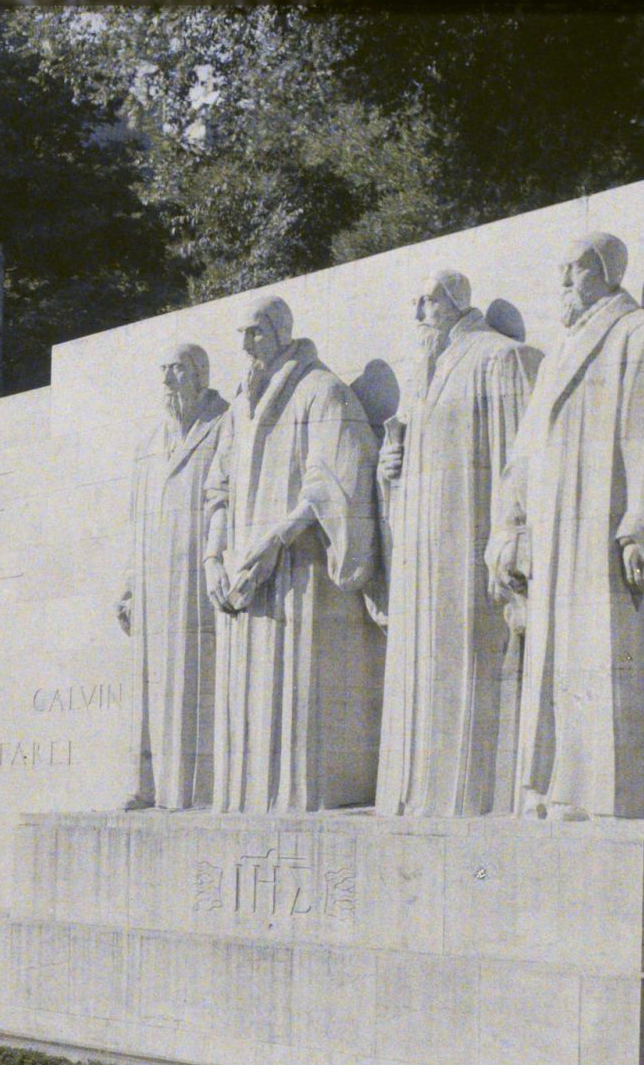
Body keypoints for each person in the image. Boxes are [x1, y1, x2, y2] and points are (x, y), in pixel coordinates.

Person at [486, 232, 644, 820]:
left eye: (577, 269)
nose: (564, 280)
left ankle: (603, 797)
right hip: (556, 542)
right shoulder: (559, 355)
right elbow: (522, 458)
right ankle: (554, 787)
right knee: (557, 663)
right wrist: (512, 530)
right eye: (559, 269)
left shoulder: (642, 336)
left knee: (610, 656)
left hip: (603, 535)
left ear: (609, 274)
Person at [203, 294, 385, 812]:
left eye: (256, 332)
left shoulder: (321, 392)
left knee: (295, 699)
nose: (246, 344)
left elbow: (338, 481)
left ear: (282, 334)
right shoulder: (238, 411)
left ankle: (298, 797)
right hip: (241, 578)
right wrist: (214, 557)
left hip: (298, 575)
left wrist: (276, 540)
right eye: (242, 333)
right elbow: (216, 491)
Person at [375, 269, 541, 817]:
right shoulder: (423, 376)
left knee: (469, 669)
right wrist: (390, 470)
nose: (419, 312)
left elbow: (523, 463)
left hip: (468, 545)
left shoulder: (499, 358)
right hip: (422, 552)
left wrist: (513, 538)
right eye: (417, 302)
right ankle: (420, 795)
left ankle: (474, 798)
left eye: (427, 300)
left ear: (452, 302)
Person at [117, 342, 228, 809]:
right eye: (163, 371)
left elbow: (227, 500)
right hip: (152, 581)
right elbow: (135, 520)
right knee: (148, 686)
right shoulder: (148, 446)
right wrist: (127, 586)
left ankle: (195, 788)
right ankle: (147, 785)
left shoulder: (224, 427)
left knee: (196, 679)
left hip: (196, 578)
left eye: (177, 370)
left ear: (200, 375)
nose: (167, 381)